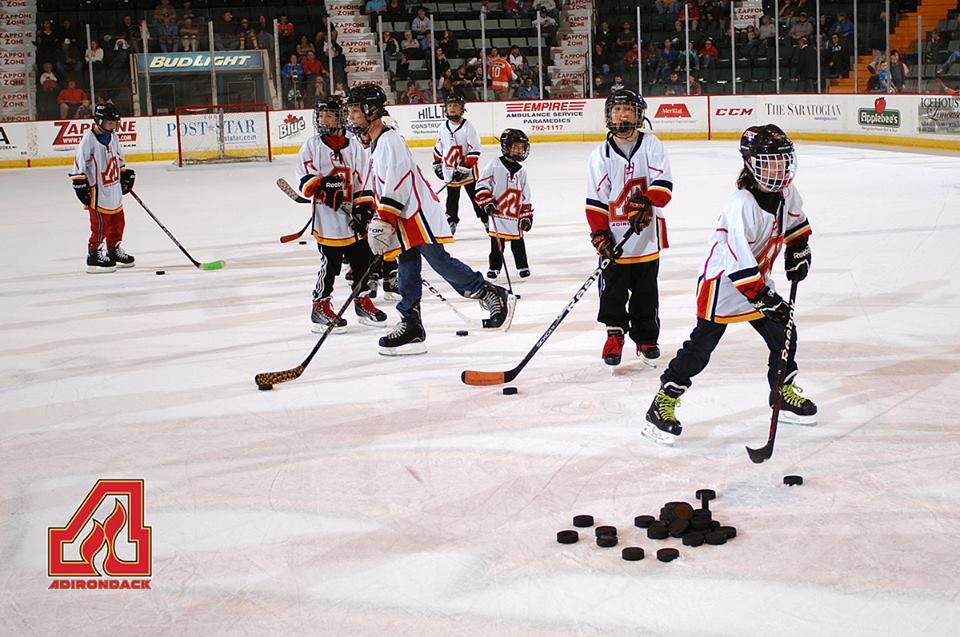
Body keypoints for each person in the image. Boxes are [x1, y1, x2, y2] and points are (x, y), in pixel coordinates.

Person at [643, 125, 816, 445]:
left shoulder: (786, 193)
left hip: (755, 282)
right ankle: (663, 401)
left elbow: (796, 224)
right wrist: (764, 297)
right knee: (701, 348)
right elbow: (738, 265)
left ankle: (782, 391)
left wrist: (799, 249)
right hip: (723, 285)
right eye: (769, 161)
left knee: (784, 334)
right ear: (752, 164)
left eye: (782, 160)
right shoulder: (741, 204)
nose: (779, 167)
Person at [345, 83, 515, 355]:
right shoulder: (375, 144)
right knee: (407, 265)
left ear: (370, 110)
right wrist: (373, 213)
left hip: (417, 214)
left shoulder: (389, 140)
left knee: (438, 261)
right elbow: (379, 184)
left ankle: (488, 292)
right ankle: (411, 323)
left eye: (355, 111)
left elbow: (397, 182)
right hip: (403, 215)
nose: (351, 117)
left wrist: (384, 218)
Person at [585, 90, 674, 368]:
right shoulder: (600, 154)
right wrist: (600, 235)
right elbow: (595, 200)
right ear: (608, 116)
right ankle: (614, 335)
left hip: (647, 238)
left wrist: (647, 203)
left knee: (646, 292)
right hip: (615, 238)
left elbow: (664, 182)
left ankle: (646, 337)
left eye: (628, 110)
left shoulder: (652, 144)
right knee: (612, 291)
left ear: (639, 115)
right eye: (616, 110)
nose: (622, 115)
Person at [295, 96, 388, 333]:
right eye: (320, 115)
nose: (323, 119)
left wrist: (364, 208)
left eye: (328, 114)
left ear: (339, 117)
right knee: (331, 263)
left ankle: (362, 301)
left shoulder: (354, 146)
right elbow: (305, 179)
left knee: (362, 261)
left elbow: (364, 178)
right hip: (327, 220)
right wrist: (323, 186)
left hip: (351, 217)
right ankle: (320, 305)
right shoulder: (312, 146)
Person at [69, 103, 136, 273]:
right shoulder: (89, 139)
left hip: (114, 190)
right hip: (98, 193)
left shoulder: (113, 137)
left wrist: (125, 175)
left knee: (118, 222)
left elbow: (119, 159)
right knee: (100, 226)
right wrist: (79, 184)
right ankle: (94, 255)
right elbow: (79, 164)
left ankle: (113, 250)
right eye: (109, 123)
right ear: (99, 121)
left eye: (115, 123)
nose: (113, 126)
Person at [475, 129, 534, 279]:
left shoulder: (522, 171)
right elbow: (482, 185)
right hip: (498, 213)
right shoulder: (494, 165)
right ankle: (494, 267)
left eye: (521, 147)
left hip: (514, 213)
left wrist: (526, 214)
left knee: (518, 242)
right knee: (496, 244)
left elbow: (525, 194)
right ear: (506, 147)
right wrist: (486, 201)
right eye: (515, 146)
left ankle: (522, 266)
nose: (519, 150)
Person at [432, 94, 483, 235]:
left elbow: (475, 150)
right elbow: (439, 147)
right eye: (449, 106)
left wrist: (465, 167)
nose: (452, 108)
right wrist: (436, 163)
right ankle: (452, 221)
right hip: (449, 170)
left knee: (475, 197)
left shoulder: (468, 127)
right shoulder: (443, 126)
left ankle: (485, 219)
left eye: (455, 105)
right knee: (452, 198)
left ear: (462, 108)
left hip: (467, 173)